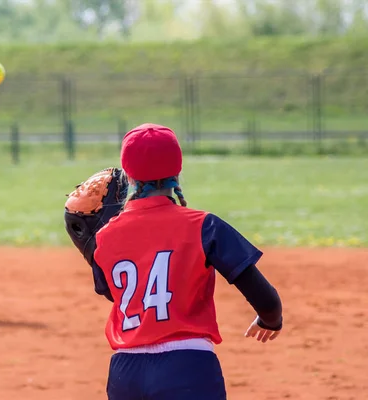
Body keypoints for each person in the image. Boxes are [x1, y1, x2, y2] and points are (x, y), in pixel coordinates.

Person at [64, 123, 283, 400]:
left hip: (125, 373)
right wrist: (270, 320)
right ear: (177, 173)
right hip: (188, 367)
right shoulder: (204, 226)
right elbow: (267, 300)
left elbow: (119, 295)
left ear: (127, 177)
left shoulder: (105, 236)